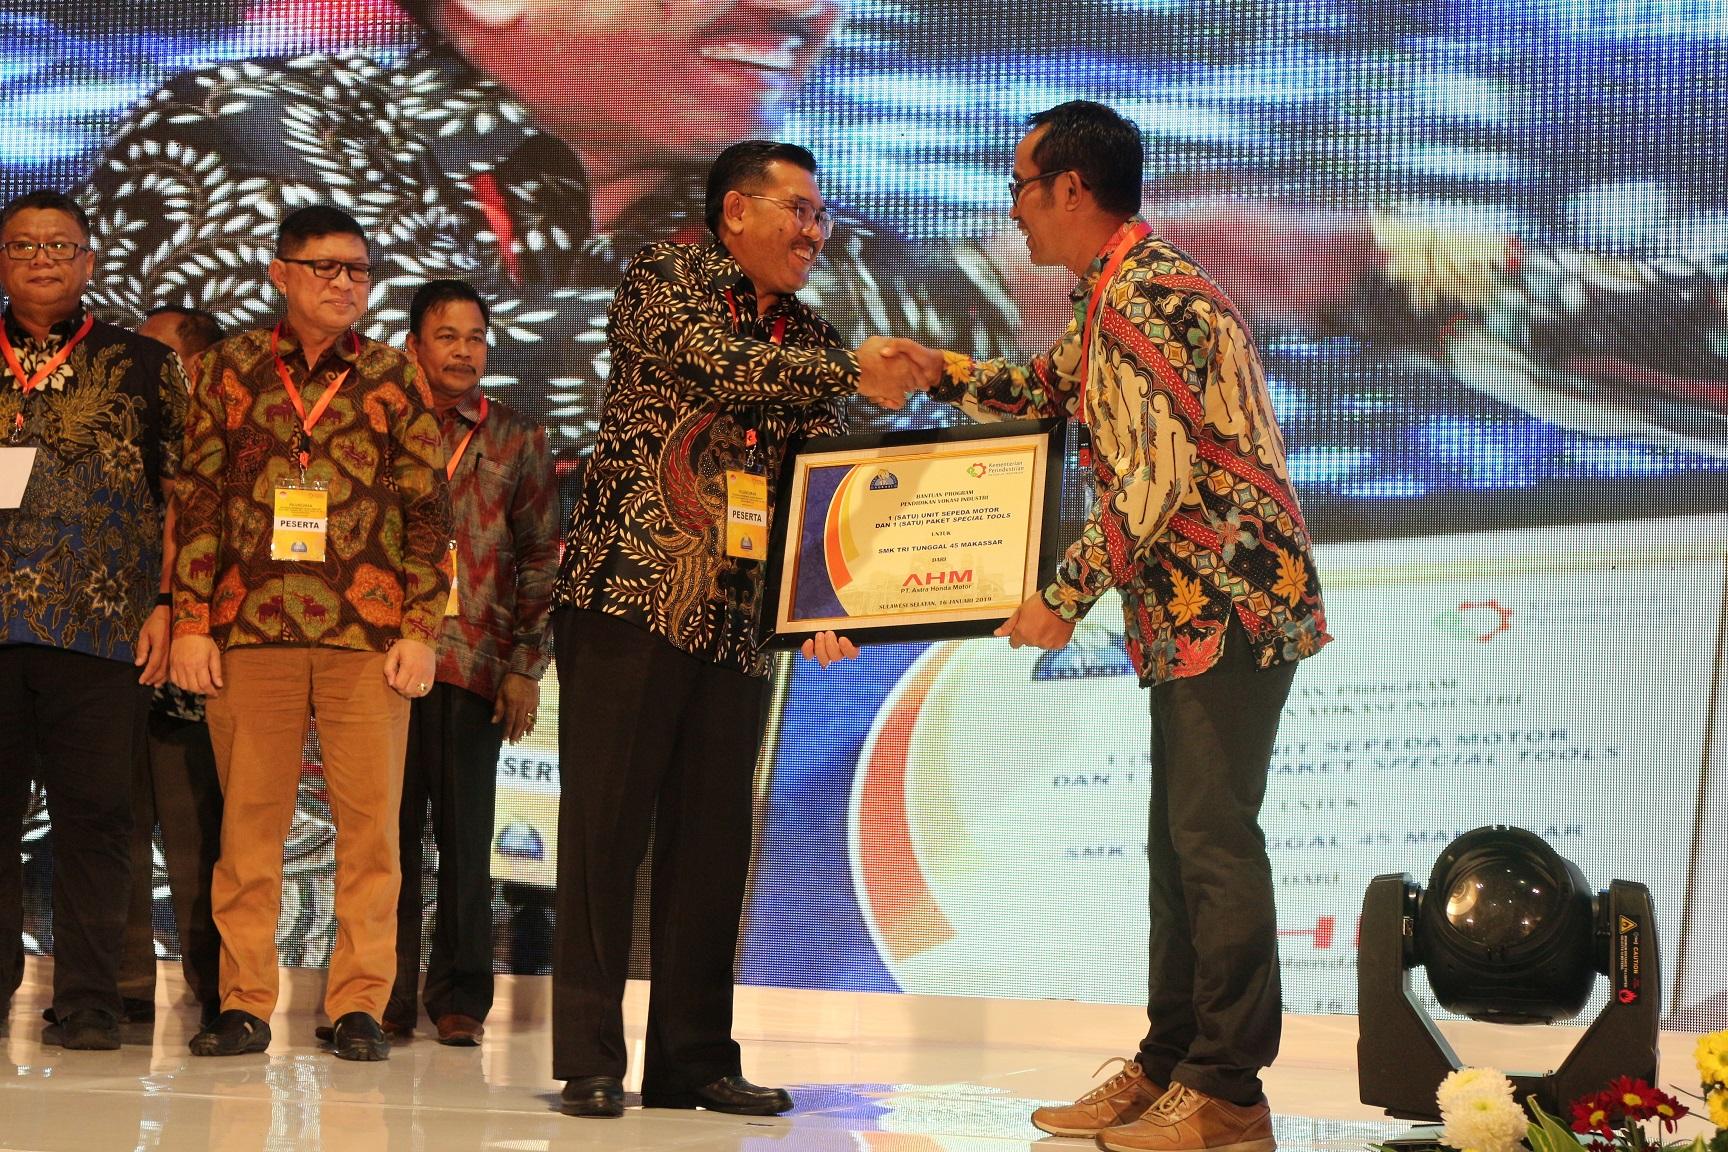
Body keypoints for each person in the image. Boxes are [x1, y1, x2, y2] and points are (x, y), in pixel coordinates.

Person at [879, 101, 1332, 1152]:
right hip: (1190, 610)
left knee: (1213, 843)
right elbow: (1049, 390)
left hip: (1229, 602)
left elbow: (1156, 477)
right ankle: (1169, 1064)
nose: (1015, 210)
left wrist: (1062, 593)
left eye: (1021, 187)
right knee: (1180, 846)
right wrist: (940, 371)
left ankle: (1227, 1091)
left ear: (1071, 189)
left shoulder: (1151, 297)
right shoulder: (1114, 290)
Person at [76, 0, 1022, 451]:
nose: (796, 9)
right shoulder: (236, 126)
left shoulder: (761, 201)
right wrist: (880, 346)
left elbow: (956, 334)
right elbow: (396, 380)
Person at [548, 138, 911, 1120]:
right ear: (736, 211)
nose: (815, 232)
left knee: (712, 848)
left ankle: (694, 1060)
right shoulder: (665, 277)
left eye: (822, 215)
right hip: (632, 597)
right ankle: (590, 1058)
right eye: (799, 210)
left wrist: (826, 602)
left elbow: (819, 482)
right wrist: (850, 366)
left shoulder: (810, 334)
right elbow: (722, 365)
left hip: (738, 623)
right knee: (604, 837)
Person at [169, 203, 452, 1061]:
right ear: (280, 274)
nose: (343, 283)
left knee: (372, 834)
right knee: (248, 831)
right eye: (324, 267)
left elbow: (429, 514)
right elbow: (197, 502)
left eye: (357, 270)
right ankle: (244, 1004)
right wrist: (190, 621)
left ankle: (360, 1005)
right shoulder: (229, 368)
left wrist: (422, 628)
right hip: (250, 626)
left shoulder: (394, 375)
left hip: (368, 634)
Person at [0, 189, 186, 1050]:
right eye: (23, 245)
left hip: (102, 625)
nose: (41, 258)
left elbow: (183, 495)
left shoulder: (142, 363)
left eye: (58, 245)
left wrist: (167, 603)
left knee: (98, 818)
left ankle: (87, 999)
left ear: (89, 260)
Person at [386, 277, 559, 1047]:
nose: (463, 351)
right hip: (386, 658)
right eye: (447, 336)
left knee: (464, 839)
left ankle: (459, 997)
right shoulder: (382, 423)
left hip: (475, 662)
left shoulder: (517, 436)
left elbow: (542, 557)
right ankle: (382, 993)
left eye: (476, 337)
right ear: (413, 345)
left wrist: (525, 667)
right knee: (384, 839)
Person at [114, 305, 228, 1033]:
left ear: (194, 367)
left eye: (154, 353)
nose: (138, 365)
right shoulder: (119, 433)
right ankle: (123, 984)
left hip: (195, 671)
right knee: (117, 827)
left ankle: (216, 987)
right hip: (116, 661)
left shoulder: (226, 441)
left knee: (198, 841)